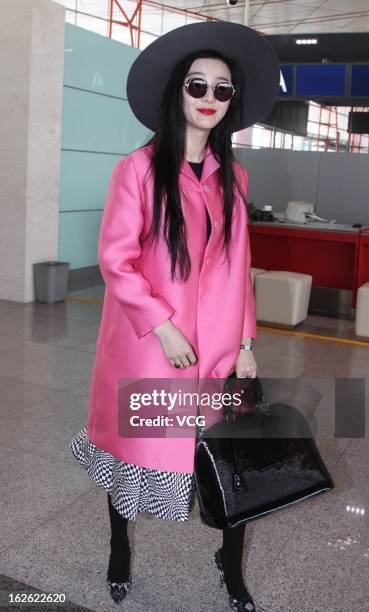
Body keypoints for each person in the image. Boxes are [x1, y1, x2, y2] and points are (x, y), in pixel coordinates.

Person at [70, 21, 280, 612]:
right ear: (176, 92)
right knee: (133, 453)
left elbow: (240, 266)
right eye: (198, 86)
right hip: (150, 344)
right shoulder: (137, 170)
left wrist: (245, 340)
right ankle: (118, 551)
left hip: (217, 349)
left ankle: (230, 565)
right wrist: (161, 323)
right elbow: (115, 259)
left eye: (223, 89)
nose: (210, 99)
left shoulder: (234, 177)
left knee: (231, 459)